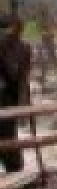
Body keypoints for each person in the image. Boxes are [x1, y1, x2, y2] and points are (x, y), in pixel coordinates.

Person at [0, 14, 32, 174]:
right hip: (8, 96)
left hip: (7, 97)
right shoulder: (19, 46)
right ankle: (14, 168)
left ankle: (14, 168)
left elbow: (17, 75)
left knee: (8, 134)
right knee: (8, 134)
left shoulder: (19, 47)